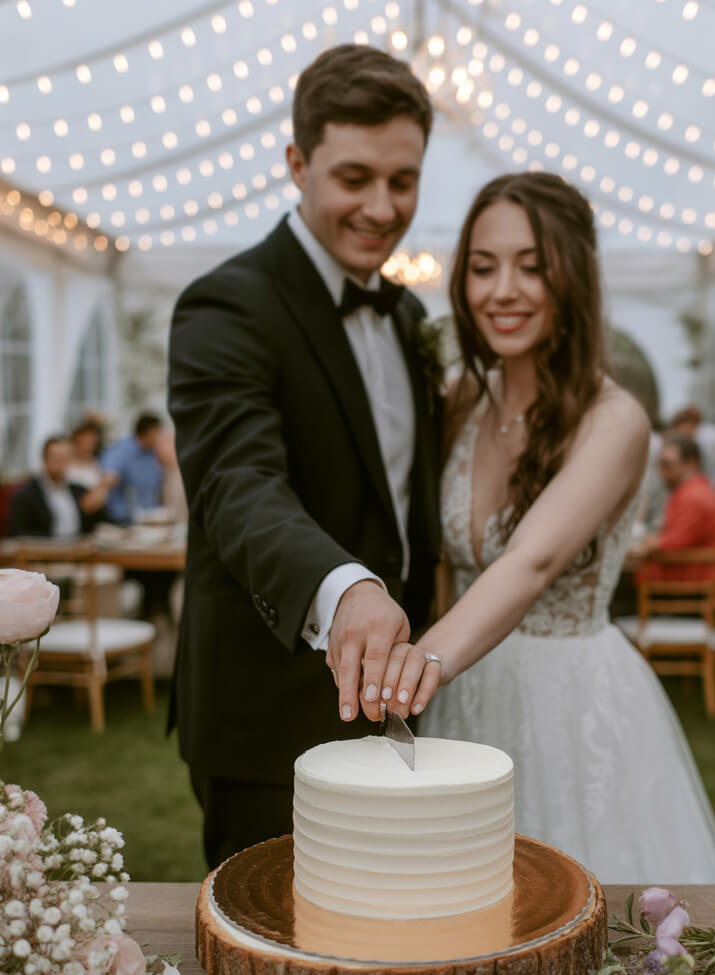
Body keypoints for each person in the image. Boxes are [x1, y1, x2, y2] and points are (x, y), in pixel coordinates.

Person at [385, 172, 715, 884]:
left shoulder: (614, 420)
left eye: (531, 266)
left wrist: (411, 672)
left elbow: (530, 564)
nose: (501, 289)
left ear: (572, 276)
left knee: (574, 914)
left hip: (572, 704)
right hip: (466, 690)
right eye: (483, 267)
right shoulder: (460, 404)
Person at [167, 45, 441, 868]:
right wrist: (346, 584)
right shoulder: (227, 303)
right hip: (268, 717)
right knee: (270, 973)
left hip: (401, 702)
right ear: (297, 163)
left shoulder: (406, 314)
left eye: (404, 180)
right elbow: (235, 482)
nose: (382, 206)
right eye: (354, 177)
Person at [638, 435, 715, 582]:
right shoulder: (694, 489)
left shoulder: (693, 496)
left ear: (690, 463)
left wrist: (649, 543)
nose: (661, 472)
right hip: (686, 575)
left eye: (667, 465)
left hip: (683, 579)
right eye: (660, 465)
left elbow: (675, 543)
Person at [9, 435, 109, 538]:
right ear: (44, 459)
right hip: (43, 551)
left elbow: (99, 523)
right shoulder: (25, 496)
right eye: (55, 456)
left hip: (78, 550)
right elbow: (18, 533)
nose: (60, 461)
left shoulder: (78, 491)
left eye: (64, 457)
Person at [99, 412, 165, 524]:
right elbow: (108, 476)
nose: (160, 437)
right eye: (158, 432)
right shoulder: (121, 450)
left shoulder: (153, 453)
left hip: (149, 519)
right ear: (149, 433)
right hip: (122, 521)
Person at [66, 420, 107, 490]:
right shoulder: (66, 463)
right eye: (85, 441)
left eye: (91, 442)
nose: (88, 446)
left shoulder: (97, 464)